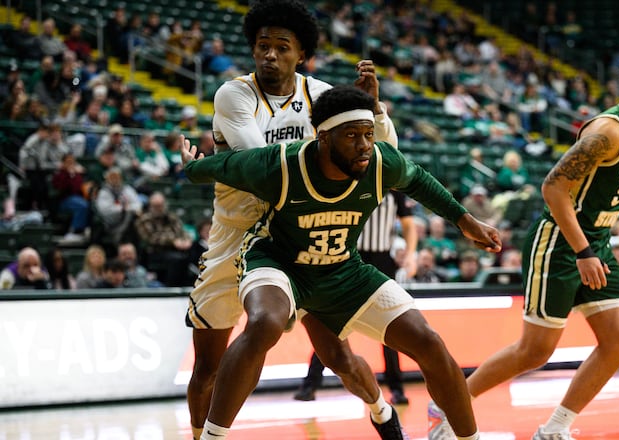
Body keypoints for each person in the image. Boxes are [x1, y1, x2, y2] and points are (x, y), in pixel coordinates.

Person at [427, 41, 619, 440]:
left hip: (596, 241)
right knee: (535, 351)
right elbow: (553, 188)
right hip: (560, 241)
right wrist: (582, 251)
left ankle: (555, 428)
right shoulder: (607, 132)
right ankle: (449, 408)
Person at [181, 85, 501, 440]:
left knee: (426, 342)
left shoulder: (380, 160)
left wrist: (465, 221)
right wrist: (193, 167)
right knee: (265, 323)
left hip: (341, 268)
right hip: (279, 263)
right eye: (351, 135)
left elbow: (420, 183)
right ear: (323, 137)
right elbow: (222, 166)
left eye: (367, 133)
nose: (364, 144)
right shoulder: (282, 163)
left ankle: (438, 429)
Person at [184, 2, 400, 439]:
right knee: (207, 364)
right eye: (262, 46)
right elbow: (262, 165)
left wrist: (372, 110)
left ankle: (382, 412)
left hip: (297, 238)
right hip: (234, 236)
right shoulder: (234, 94)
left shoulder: (319, 95)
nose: (269, 55)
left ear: (301, 54)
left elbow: (384, 153)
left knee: (337, 354)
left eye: (281, 47)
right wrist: (328, 152)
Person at [294, 190, 418, 405]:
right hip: (349, 259)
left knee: (390, 325)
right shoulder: (350, 182)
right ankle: (310, 384)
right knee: (331, 322)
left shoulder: (393, 188)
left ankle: (397, 388)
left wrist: (410, 253)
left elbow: (408, 224)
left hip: (381, 261)